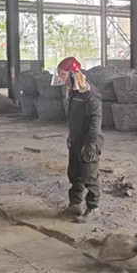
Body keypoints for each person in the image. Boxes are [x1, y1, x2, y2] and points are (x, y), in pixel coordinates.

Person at [52, 57, 103, 223]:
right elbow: (74, 118)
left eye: (63, 74)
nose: (60, 78)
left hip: (89, 140)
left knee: (89, 175)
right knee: (74, 174)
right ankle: (75, 204)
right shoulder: (74, 92)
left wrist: (90, 144)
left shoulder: (90, 94)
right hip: (76, 139)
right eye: (59, 74)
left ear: (73, 74)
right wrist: (71, 136)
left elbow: (95, 121)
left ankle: (93, 208)